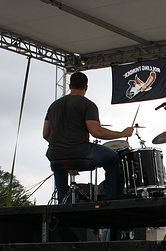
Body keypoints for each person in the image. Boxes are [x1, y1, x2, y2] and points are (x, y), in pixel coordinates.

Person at [43, 72, 134, 203]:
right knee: (113, 158)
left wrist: (61, 144)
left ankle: (63, 202)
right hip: (80, 151)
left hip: (55, 153)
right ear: (86, 87)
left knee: (59, 164)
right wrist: (122, 133)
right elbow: (96, 131)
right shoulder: (87, 105)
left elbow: (46, 134)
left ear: (70, 85)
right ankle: (113, 198)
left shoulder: (53, 106)